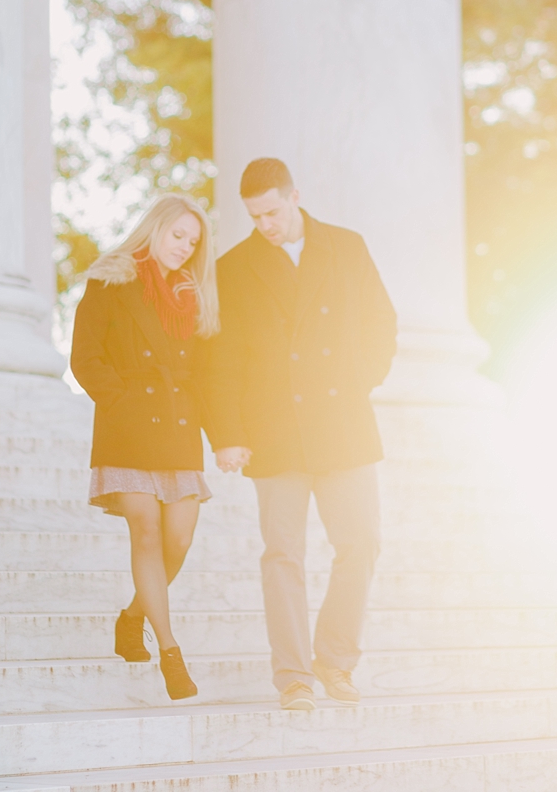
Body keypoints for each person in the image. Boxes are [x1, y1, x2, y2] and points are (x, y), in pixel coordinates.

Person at [208, 158, 397, 712]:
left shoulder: (346, 246)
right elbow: (220, 360)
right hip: (273, 432)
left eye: (271, 211)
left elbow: (380, 323)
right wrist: (227, 432)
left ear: (294, 197)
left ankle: (335, 663)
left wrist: (359, 380)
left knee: (360, 544)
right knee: (282, 555)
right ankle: (293, 676)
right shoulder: (235, 267)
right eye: (254, 216)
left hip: (343, 424)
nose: (264, 224)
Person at [71, 193, 221, 701]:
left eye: (193, 241)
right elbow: (85, 358)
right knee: (147, 532)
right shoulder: (110, 280)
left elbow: (205, 377)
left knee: (179, 540)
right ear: (155, 228)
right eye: (177, 235)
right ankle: (171, 653)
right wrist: (123, 402)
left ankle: (132, 616)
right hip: (128, 427)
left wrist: (224, 437)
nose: (184, 247)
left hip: (178, 428)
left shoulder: (192, 296)